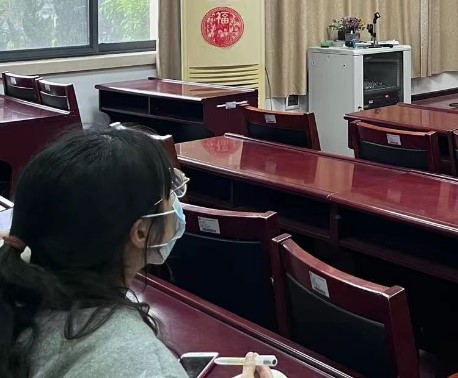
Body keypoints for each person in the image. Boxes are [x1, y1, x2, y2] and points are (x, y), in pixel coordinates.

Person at [0, 128, 273, 378]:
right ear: (141, 232)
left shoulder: (18, 287)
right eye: (169, 192)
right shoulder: (142, 363)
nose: (176, 201)